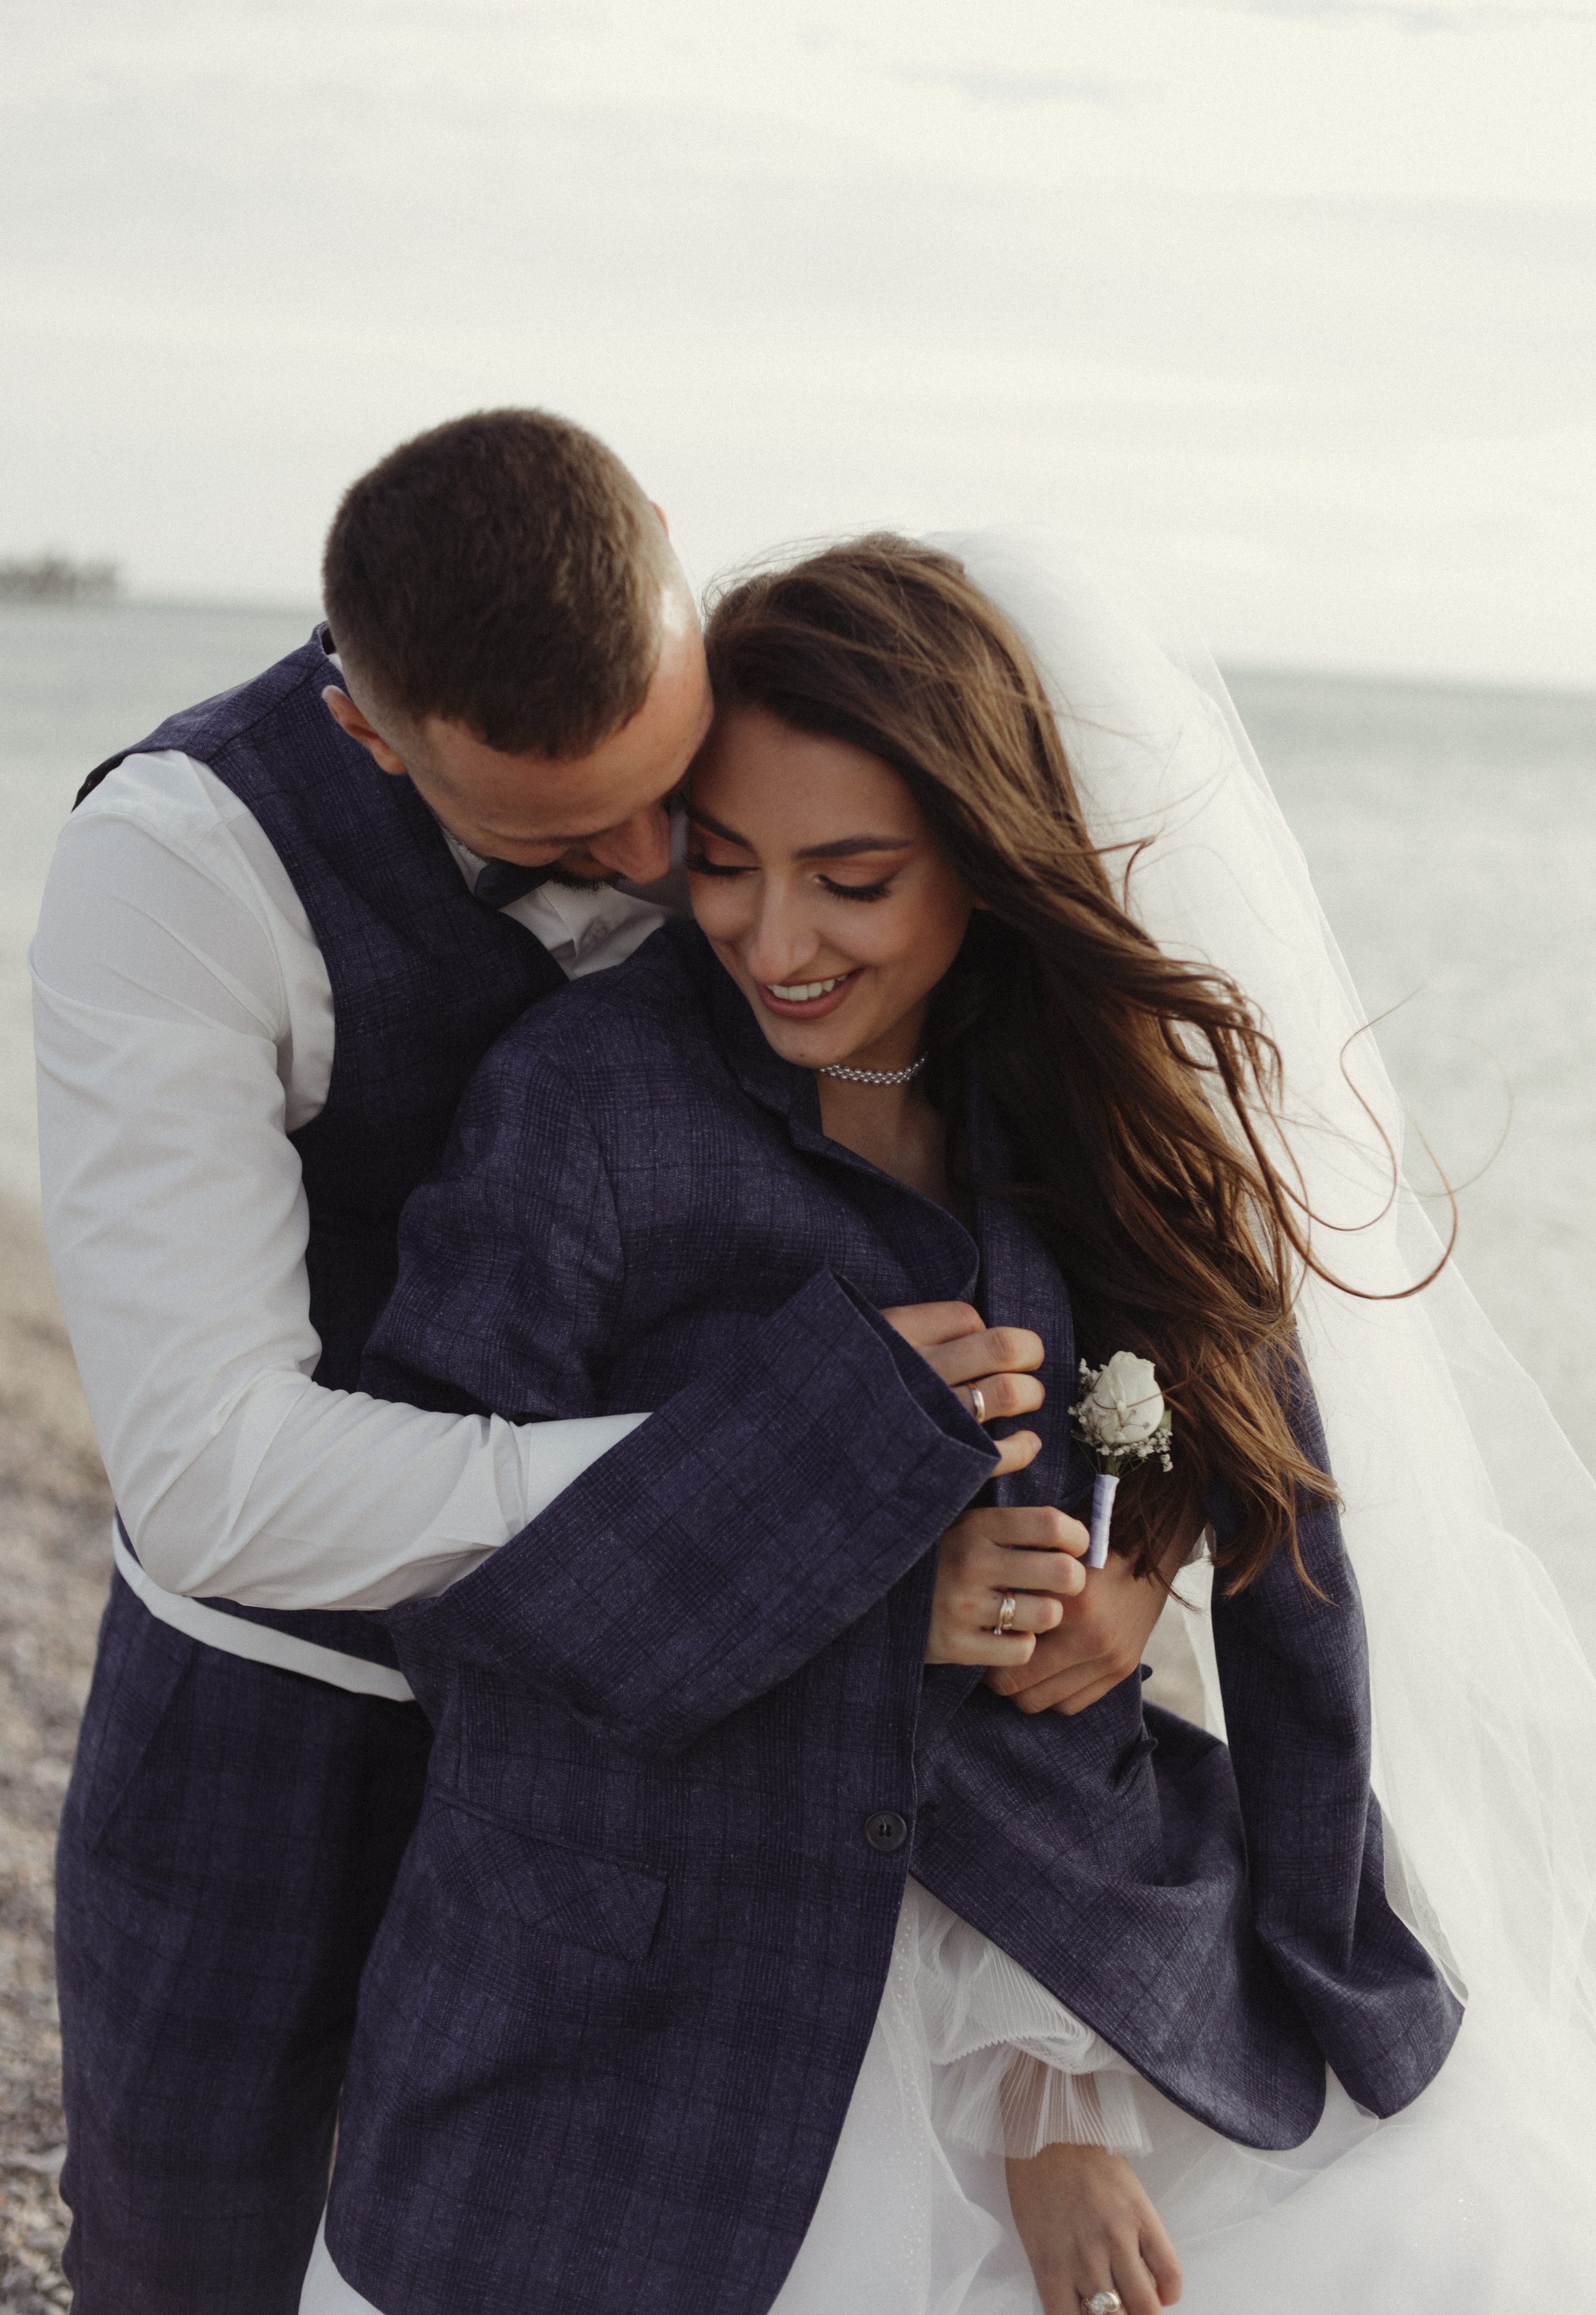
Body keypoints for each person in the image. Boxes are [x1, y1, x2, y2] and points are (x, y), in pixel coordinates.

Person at [296, 532, 1592, 2315]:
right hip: (652, 2010)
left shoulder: (1080, 1092)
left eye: (854, 878)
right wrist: (862, 1594)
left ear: (980, 861)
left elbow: (1233, 1427)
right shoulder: (582, 1109)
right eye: (726, 861)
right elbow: (425, 1583)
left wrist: (1136, 1561)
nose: (773, 935)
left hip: (1065, 1930)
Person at [32, 425, 1158, 2313]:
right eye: (566, 840)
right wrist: (789, 1495)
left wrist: (1112, 1541)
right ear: (379, 738)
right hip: (283, 1714)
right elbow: (216, 1474)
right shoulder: (178, 870)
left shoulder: (779, 812)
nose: (661, 877)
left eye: (675, 802)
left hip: (699, 1768)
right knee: (194, 2249)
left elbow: (1108, 1287)